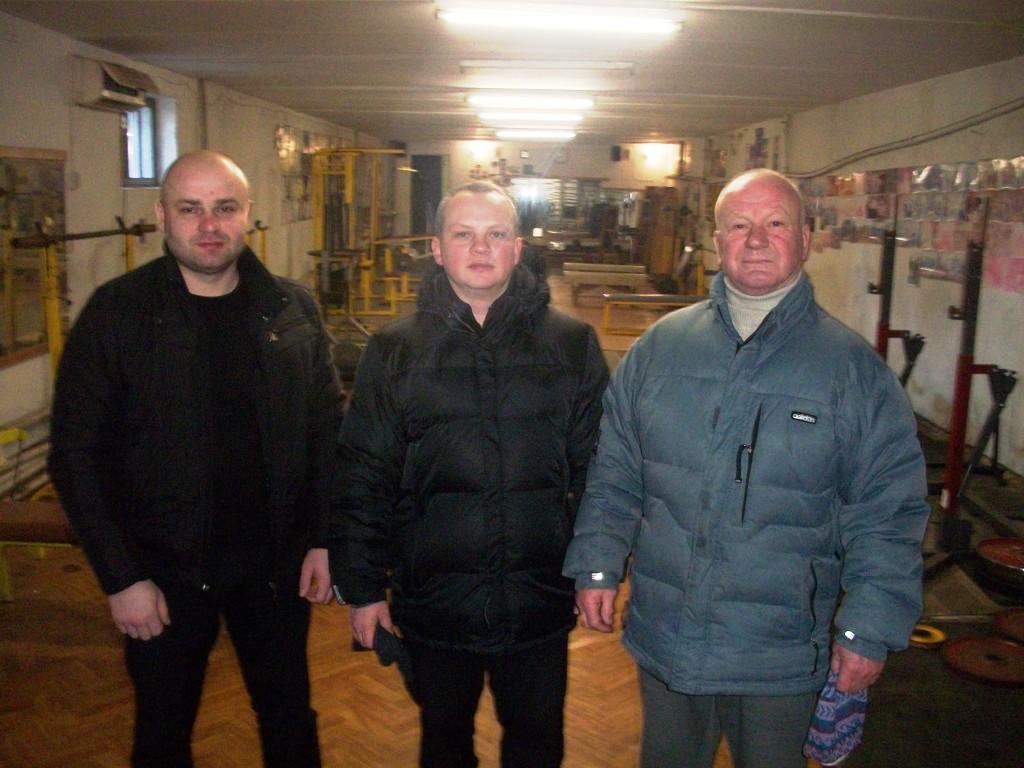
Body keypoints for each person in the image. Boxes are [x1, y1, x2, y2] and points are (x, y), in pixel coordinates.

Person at [563, 169, 930, 768]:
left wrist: (869, 624)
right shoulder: (659, 349)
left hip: (780, 653)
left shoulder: (852, 372)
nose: (756, 239)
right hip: (667, 635)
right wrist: (597, 562)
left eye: (775, 223)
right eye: (739, 225)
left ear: (805, 239)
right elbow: (615, 472)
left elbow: (887, 512)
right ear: (717, 242)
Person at [48, 150, 342, 768]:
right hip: (163, 573)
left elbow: (324, 433)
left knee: (290, 720)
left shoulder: (290, 310)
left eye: (224, 208)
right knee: (162, 732)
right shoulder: (117, 315)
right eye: (190, 209)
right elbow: (76, 457)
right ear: (162, 216)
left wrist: (322, 537)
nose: (209, 225)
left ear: (248, 214)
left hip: (274, 569)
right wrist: (122, 577)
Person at [331, 181, 608, 768]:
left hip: (538, 600)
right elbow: (363, 474)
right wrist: (362, 588)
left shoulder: (572, 344)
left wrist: (597, 568)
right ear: (437, 248)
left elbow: (599, 470)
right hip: (434, 604)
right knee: (443, 746)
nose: (480, 248)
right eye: (464, 234)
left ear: (517, 249)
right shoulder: (394, 350)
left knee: (537, 748)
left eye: (495, 234)